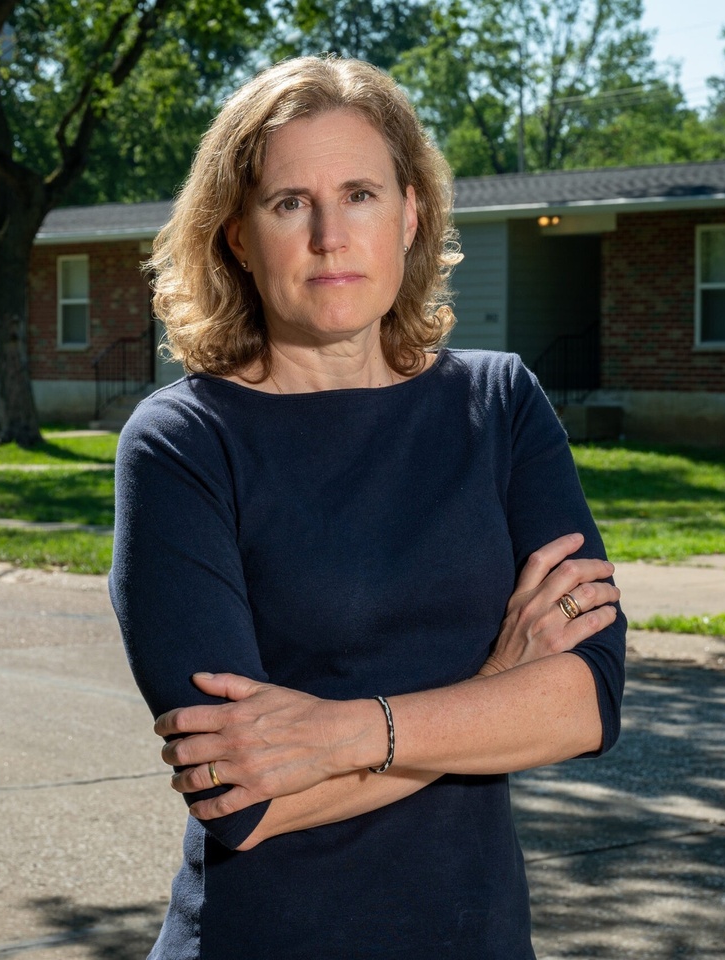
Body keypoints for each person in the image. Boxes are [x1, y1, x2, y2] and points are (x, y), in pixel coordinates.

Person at [109, 55, 626, 959]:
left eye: (359, 194)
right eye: (286, 203)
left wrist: (341, 733)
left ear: (411, 213)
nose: (328, 236)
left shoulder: (499, 407)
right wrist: (493, 698)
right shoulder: (183, 442)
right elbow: (245, 801)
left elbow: (587, 703)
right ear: (235, 233)